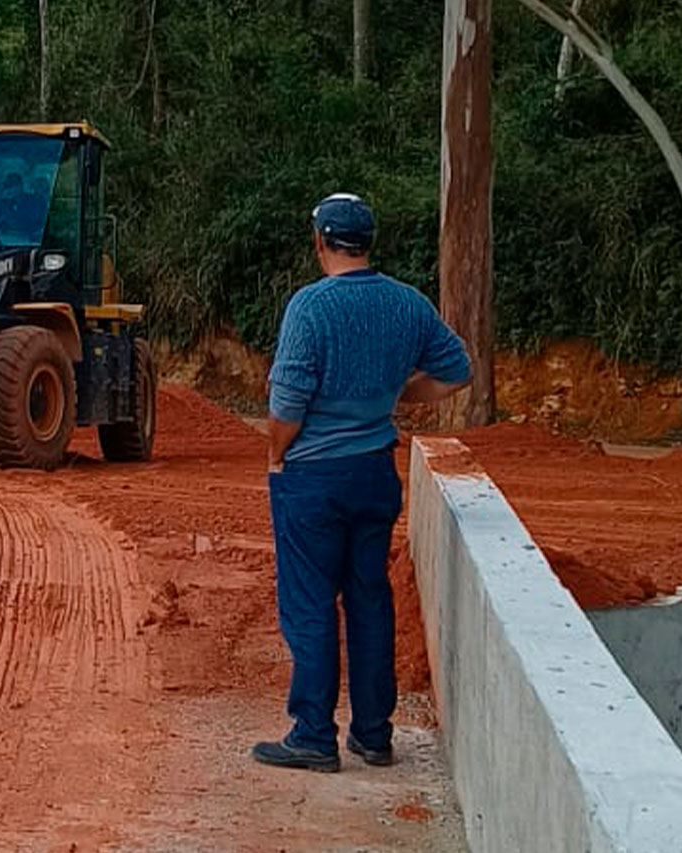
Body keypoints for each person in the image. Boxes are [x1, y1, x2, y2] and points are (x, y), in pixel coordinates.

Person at [252, 193, 471, 773]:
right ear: (368, 242)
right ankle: (374, 735)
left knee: (311, 605)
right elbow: (457, 370)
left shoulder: (310, 308)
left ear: (321, 241)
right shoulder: (408, 305)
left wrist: (277, 454)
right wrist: (395, 395)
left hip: (313, 477)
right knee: (369, 599)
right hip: (375, 471)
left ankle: (313, 736)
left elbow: (288, 401)